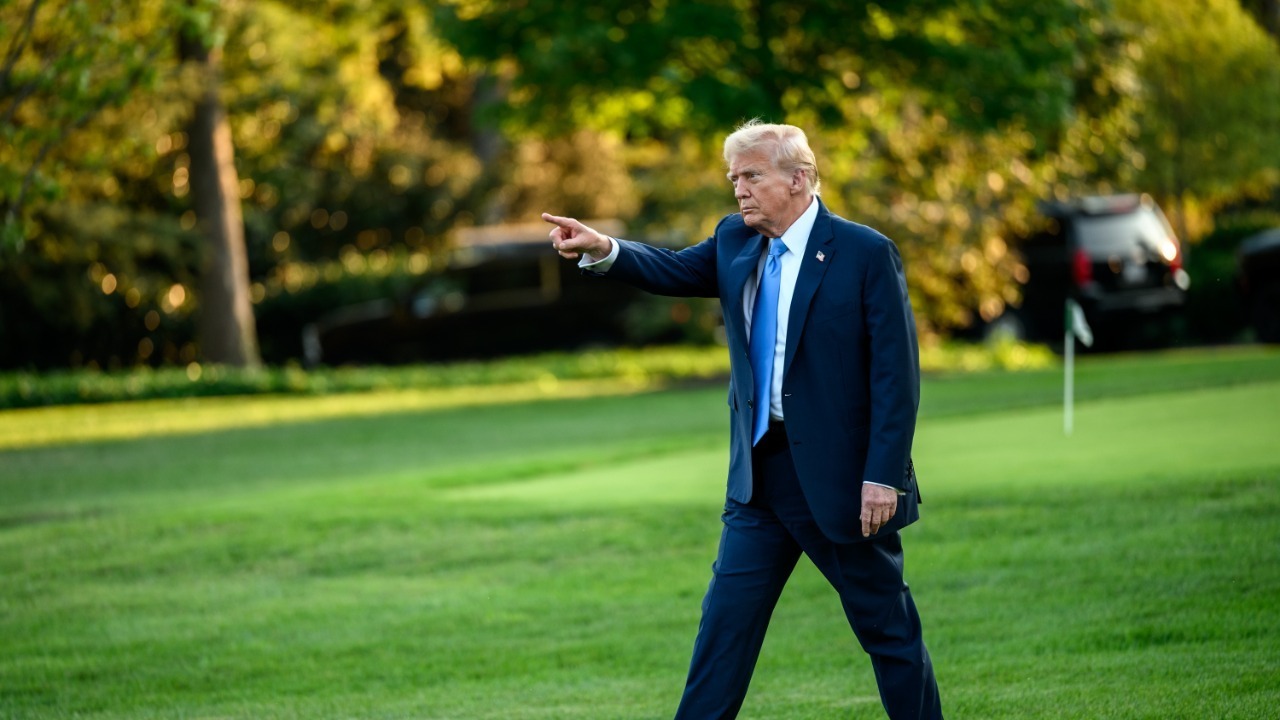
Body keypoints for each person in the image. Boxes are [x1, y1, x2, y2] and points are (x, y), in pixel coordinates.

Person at [542, 120, 942, 720]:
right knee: (722, 638)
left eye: (752, 176)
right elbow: (673, 269)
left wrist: (882, 476)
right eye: (734, 178)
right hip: (758, 482)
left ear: (799, 179)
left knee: (889, 633)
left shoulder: (865, 253)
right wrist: (604, 248)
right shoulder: (734, 239)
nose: (739, 190)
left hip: (842, 485)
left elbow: (896, 376)